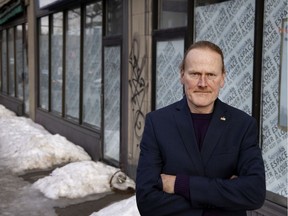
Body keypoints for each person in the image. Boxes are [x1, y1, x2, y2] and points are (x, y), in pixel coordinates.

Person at [136, 41, 266, 216]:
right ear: (182, 75)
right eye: (195, 74)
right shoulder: (157, 123)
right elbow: (146, 202)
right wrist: (224, 197)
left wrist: (179, 185)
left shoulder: (242, 125)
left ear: (223, 78)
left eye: (211, 74)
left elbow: (254, 193)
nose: (203, 83)